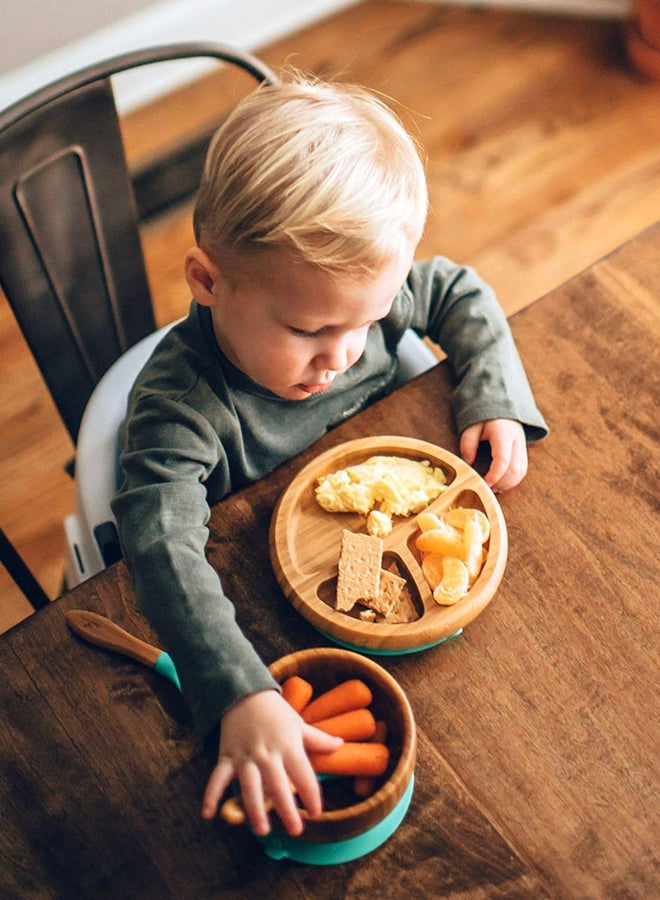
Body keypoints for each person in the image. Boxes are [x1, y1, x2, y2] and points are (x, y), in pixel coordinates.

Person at [111, 70, 548, 839]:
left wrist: (494, 396)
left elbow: (460, 291)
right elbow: (160, 544)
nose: (344, 355)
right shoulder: (179, 411)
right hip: (267, 611)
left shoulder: (353, 308)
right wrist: (239, 694)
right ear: (209, 282)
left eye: (370, 320)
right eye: (310, 332)